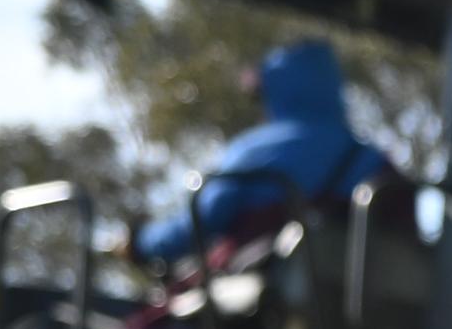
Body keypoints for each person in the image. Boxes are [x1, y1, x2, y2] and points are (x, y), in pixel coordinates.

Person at [132, 41, 390, 270]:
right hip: (377, 312)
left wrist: (143, 243)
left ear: (277, 92)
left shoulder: (254, 151)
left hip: (266, 312)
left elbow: (202, 220)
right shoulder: (374, 160)